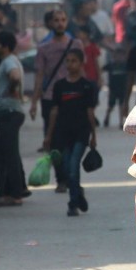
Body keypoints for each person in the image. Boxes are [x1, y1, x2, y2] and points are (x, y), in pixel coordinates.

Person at [30, 10, 84, 192]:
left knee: (72, 138)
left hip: (73, 96)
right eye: (56, 20)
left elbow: (81, 71)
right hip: (51, 98)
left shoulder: (76, 44)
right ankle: (61, 178)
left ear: (67, 22)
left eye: (63, 20)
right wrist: (33, 103)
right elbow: (39, 76)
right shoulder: (44, 48)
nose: (60, 23)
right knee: (53, 140)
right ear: (50, 24)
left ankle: (71, 175)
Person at [43, 49, 98, 217]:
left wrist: (94, 136)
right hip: (62, 133)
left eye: (73, 61)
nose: (69, 64)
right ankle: (78, 192)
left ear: (81, 63)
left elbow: (90, 111)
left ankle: (72, 204)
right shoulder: (60, 86)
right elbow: (54, 111)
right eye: (67, 61)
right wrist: (49, 136)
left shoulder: (87, 86)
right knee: (66, 169)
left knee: (74, 166)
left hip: (81, 133)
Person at [0, 31, 27, 206]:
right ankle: (5, 191)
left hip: (10, 112)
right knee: (3, 153)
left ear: (5, 47)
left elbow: (15, 76)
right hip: (8, 112)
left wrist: (11, 89)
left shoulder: (9, 62)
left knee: (9, 154)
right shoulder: (8, 61)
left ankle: (15, 193)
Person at [103, 41, 128, 128]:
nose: (119, 57)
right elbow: (102, 69)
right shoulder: (111, 65)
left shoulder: (125, 66)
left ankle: (121, 123)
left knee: (121, 105)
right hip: (113, 89)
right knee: (111, 105)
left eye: (121, 55)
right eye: (117, 55)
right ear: (114, 56)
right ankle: (107, 117)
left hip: (122, 88)